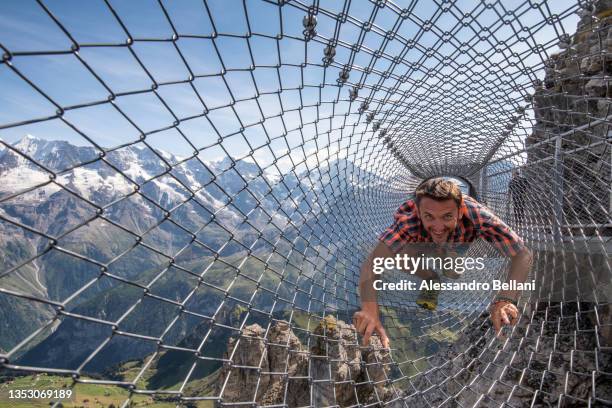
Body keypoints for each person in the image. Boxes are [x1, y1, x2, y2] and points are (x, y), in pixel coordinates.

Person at [353, 177, 533, 348]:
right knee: (400, 257)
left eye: (447, 216)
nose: (438, 226)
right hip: (422, 242)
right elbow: (372, 263)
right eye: (429, 216)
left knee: (454, 273)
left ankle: (445, 258)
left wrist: (505, 298)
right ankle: (431, 278)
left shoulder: (476, 214)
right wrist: (370, 310)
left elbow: (523, 255)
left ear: (460, 210)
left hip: (457, 242)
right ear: (419, 212)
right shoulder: (410, 220)